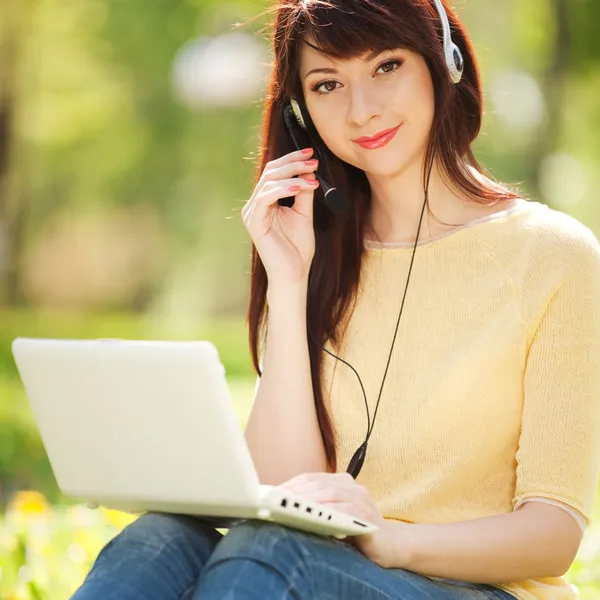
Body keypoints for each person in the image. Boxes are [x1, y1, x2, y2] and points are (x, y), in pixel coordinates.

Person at [71, 0, 600, 599]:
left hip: (478, 589)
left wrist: (392, 539)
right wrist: (290, 284)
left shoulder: (553, 254)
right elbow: (278, 488)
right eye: (328, 84)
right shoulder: (310, 252)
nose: (361, 110)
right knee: (159, 540)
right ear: (301, 113)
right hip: (314, 567)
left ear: (443, 63)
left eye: (386, 66)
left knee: (271, 554)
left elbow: (554, 533)